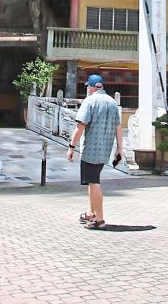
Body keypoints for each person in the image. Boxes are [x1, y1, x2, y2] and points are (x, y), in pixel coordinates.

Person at [67, 74, 122, 230]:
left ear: (90, 87)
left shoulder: (90, 101)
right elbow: (118, 127)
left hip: (91, 150)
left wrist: (71, 147)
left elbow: (80, 126)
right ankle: (90, 213)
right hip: (105, 149)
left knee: (94, 182)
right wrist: (119, 148)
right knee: (92, 181)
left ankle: (99, 219)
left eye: (87, 87)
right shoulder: (112, 102)